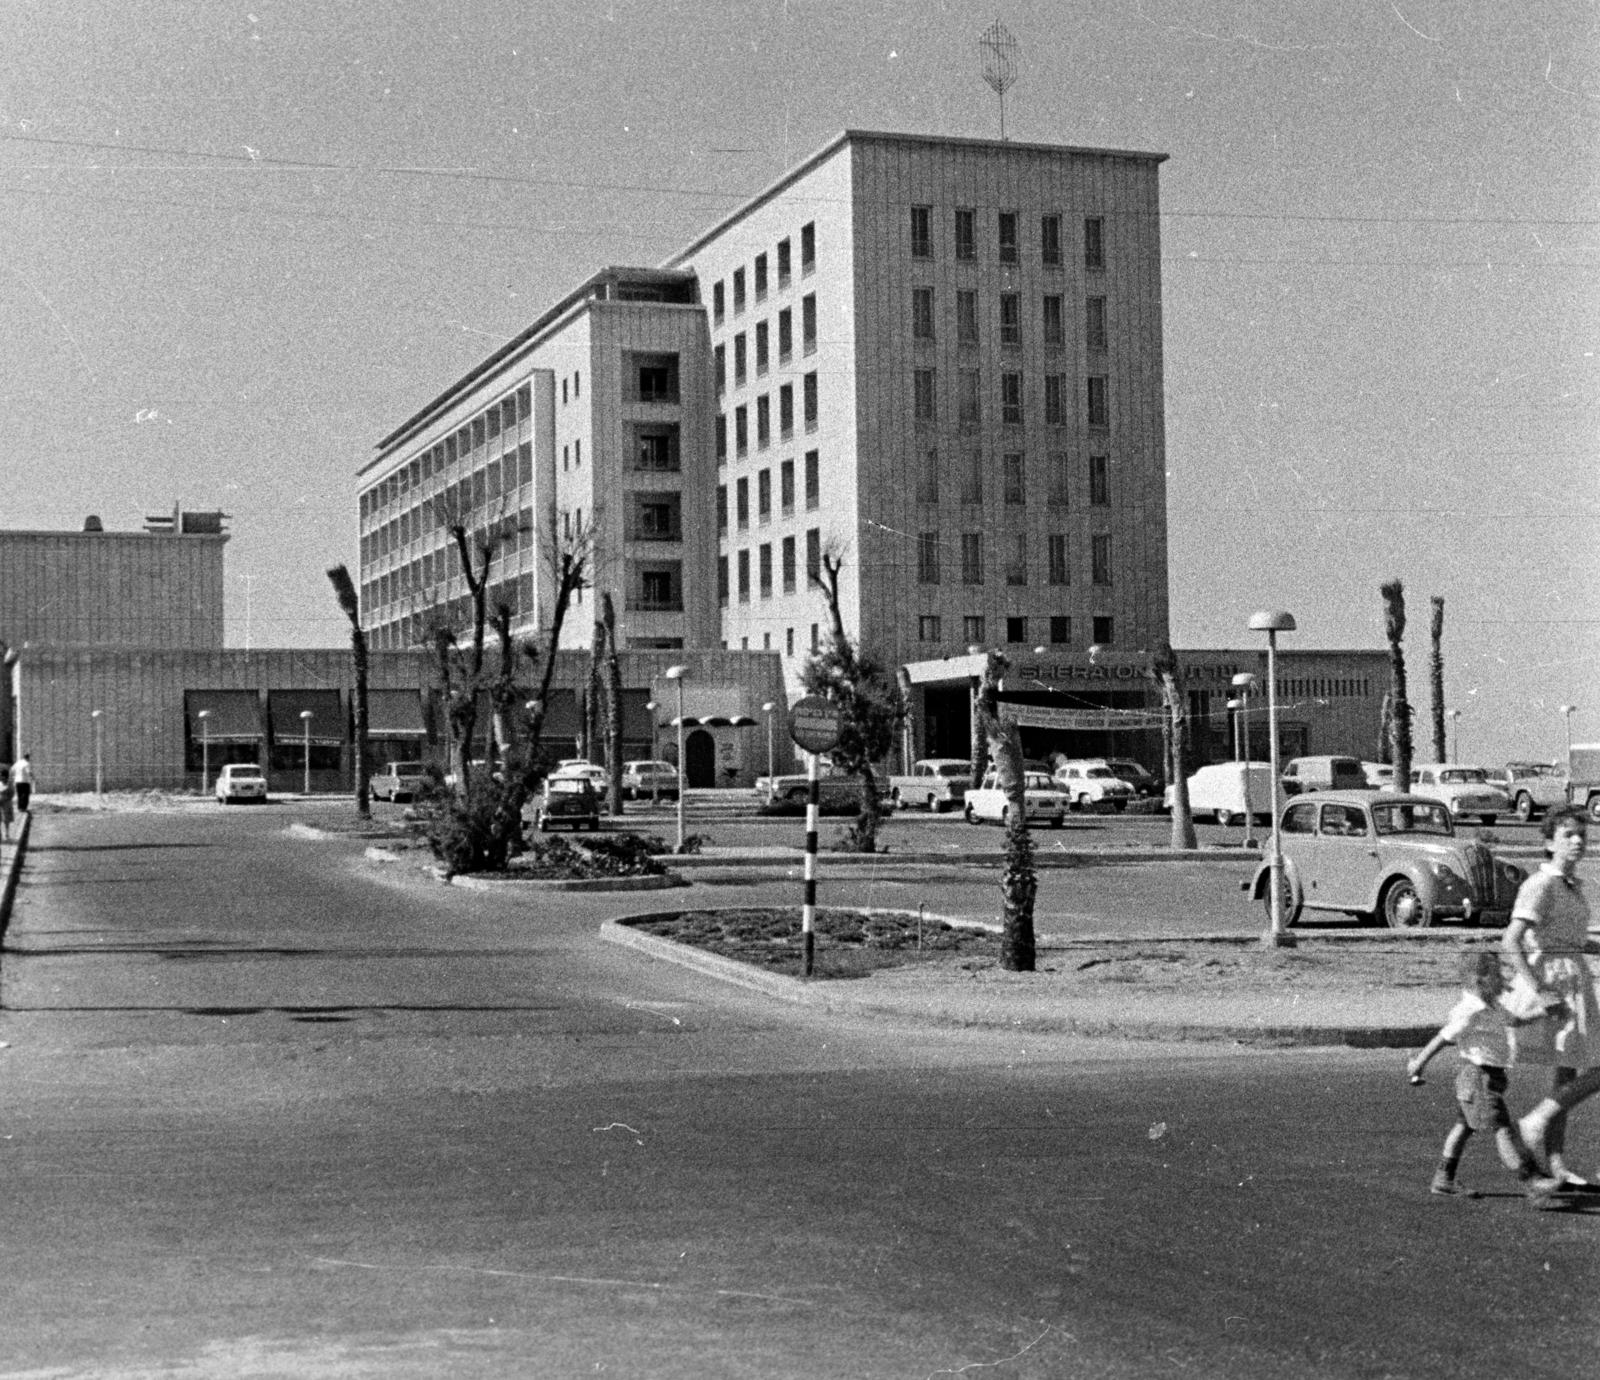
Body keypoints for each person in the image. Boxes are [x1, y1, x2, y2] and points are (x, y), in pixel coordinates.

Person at [1406, 950, 1564, 1202]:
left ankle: (1443, 1178)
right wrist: (1419, 1062)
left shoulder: (1492, 1006)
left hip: (1485, 1077)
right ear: (1481, 981)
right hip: (1478, 1077)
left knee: (1464, 1126)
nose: (1505, 980)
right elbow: (1445, 1036)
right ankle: (1532, 1180)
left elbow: (1514, 1021)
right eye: (1499, 976)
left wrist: (1543, 1012)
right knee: (1503, 1130)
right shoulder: (1472, 1008)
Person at [1503, 806, 1599, 1186]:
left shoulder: (1572, 886)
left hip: (1574, 979)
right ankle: (1535, 1121)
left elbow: (1570, 941)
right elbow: (1511, 941)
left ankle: (1557, 1167)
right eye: (1568, 835)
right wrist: (1540, 992)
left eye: (1582, 836)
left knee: (1566, 1077)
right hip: (1554, 985)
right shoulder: (1541, 885)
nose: (1577, 842)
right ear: (1548, 843)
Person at [0, 767, 12, 842]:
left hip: (6, 804)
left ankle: (7, 833)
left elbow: (12, 793)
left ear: (6, 776)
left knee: (6, 819)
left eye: (2, 776)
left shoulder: (9, 784)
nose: (1, 777)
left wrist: (6, 798)